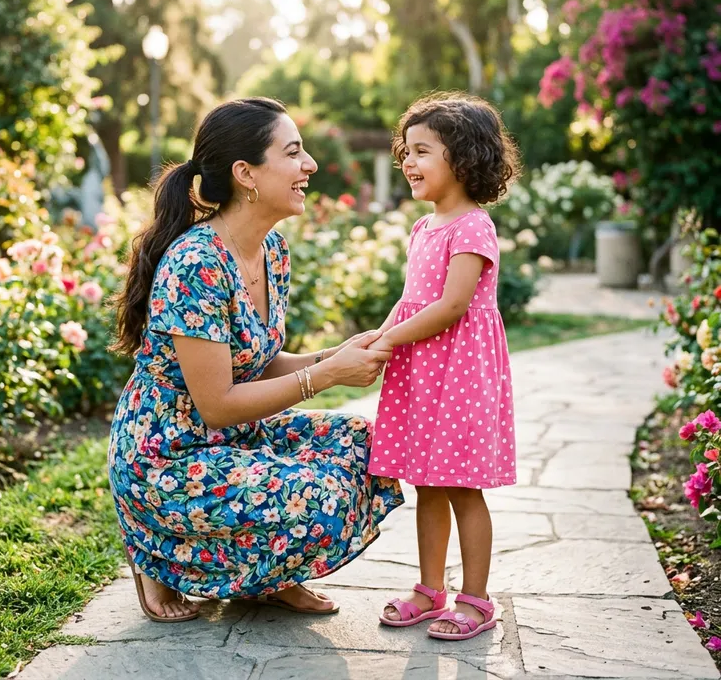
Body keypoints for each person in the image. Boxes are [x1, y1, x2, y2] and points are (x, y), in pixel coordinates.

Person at [108, 96, 403, 622]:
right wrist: (325, 376)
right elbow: (218, 404)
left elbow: (257, 362)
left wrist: (335, 353)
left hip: (236, 439)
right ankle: (155, 556)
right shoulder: (195, 264)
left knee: (362, 443)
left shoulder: (272, 251)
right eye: (293, 153)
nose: (309, 165)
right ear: (246, 173)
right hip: (169, 457)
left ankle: (265, 578)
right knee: (314, 497)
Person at [366, 92, 521, 640]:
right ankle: (430, 589)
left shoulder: (472, 226)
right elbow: (411, 299)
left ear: (463, 158)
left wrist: (389, 343)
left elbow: (452, 306)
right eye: (405, 151)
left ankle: (476, 599)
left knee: (462, 489)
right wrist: (378, 337)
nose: (408, 162)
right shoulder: (423, 227)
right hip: (422, 374)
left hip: (458, 374)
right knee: (427, 485)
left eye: (422, 151)